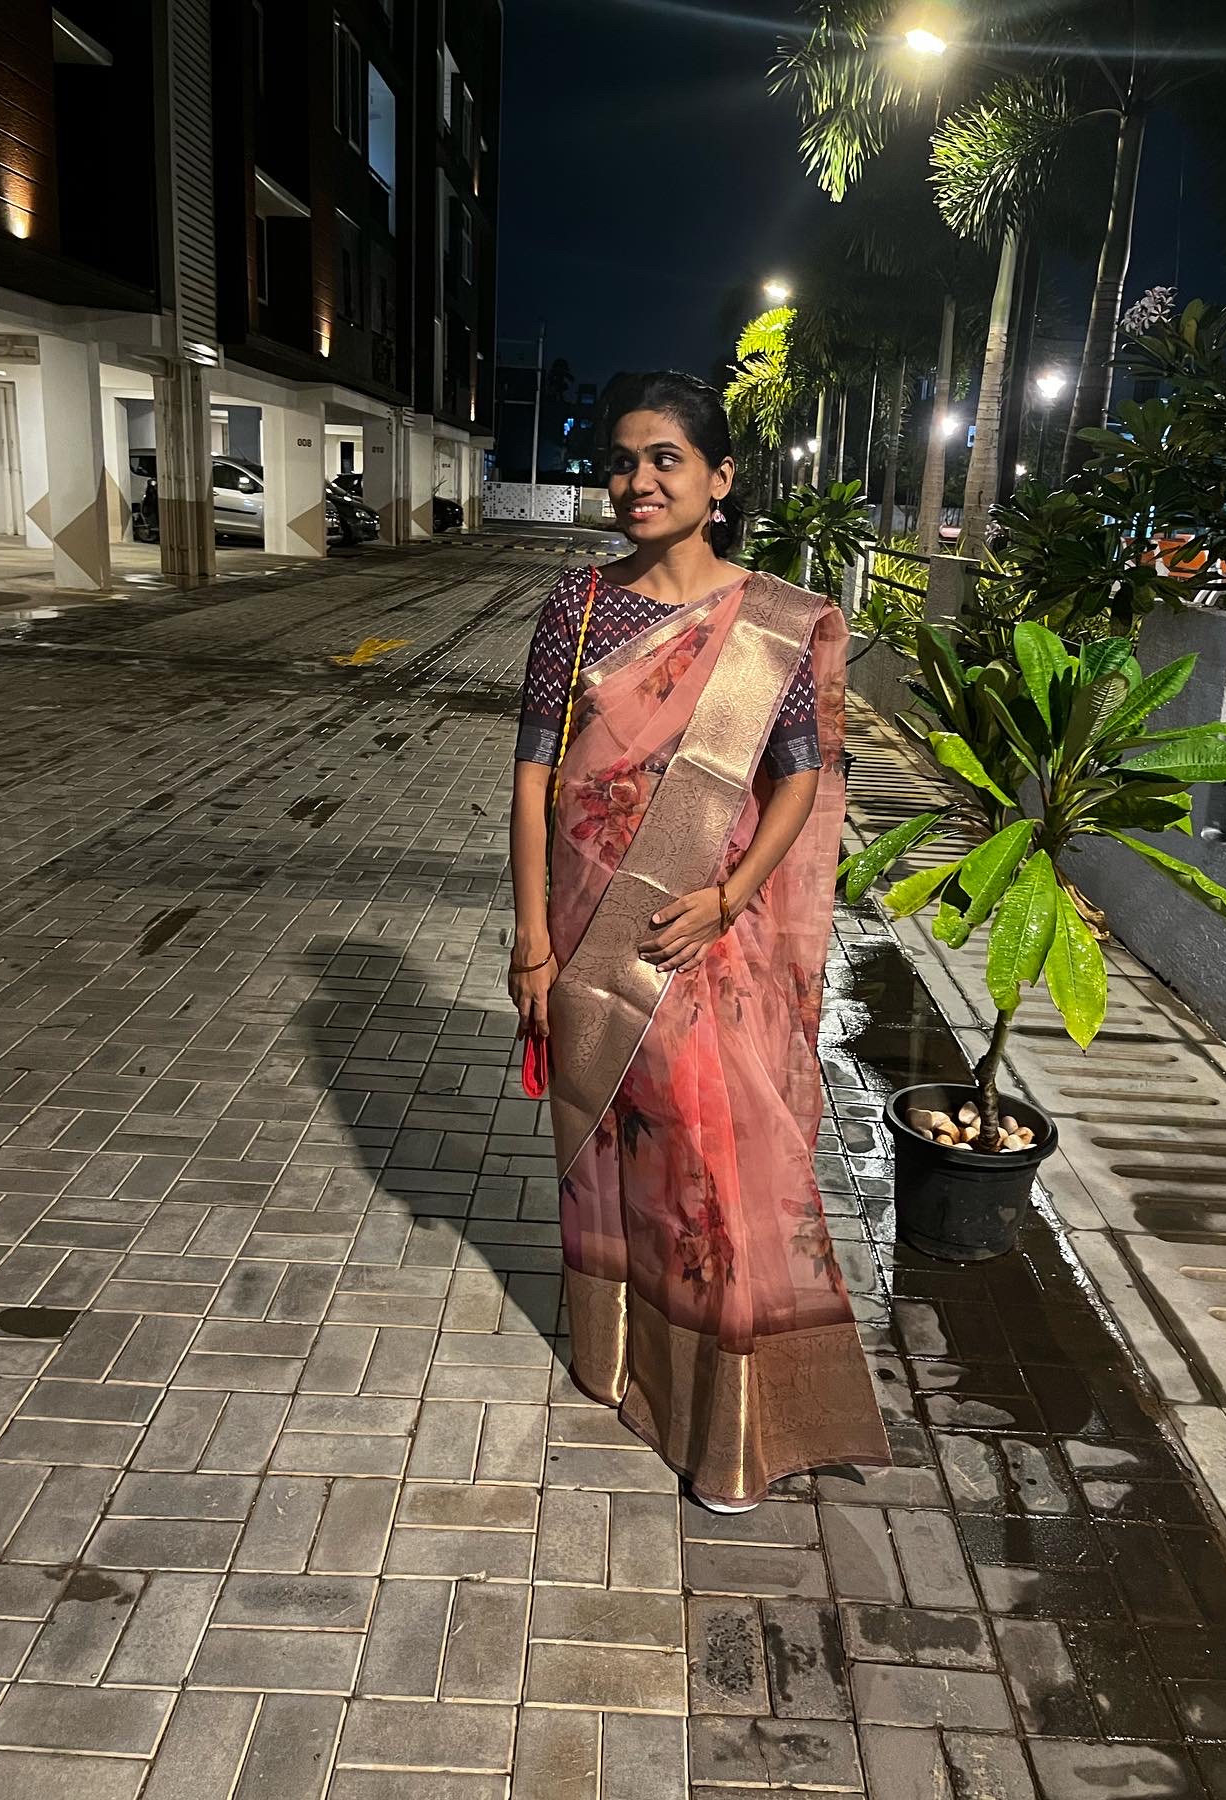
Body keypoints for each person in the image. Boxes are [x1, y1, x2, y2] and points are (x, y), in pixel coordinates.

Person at [508, 371, 889, 1512]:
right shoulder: (576, 608)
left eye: (665, 458)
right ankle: (622, 1358)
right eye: (622, 460)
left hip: (698, 935)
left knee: (708, 1162)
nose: (638, 480)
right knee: (619, 1145)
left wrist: (729, 900)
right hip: (585, 924)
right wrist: (531, 941)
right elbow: (532, 780)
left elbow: (799, 779)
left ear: (720, 480)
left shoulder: (772, 621)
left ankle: (727, 1421)